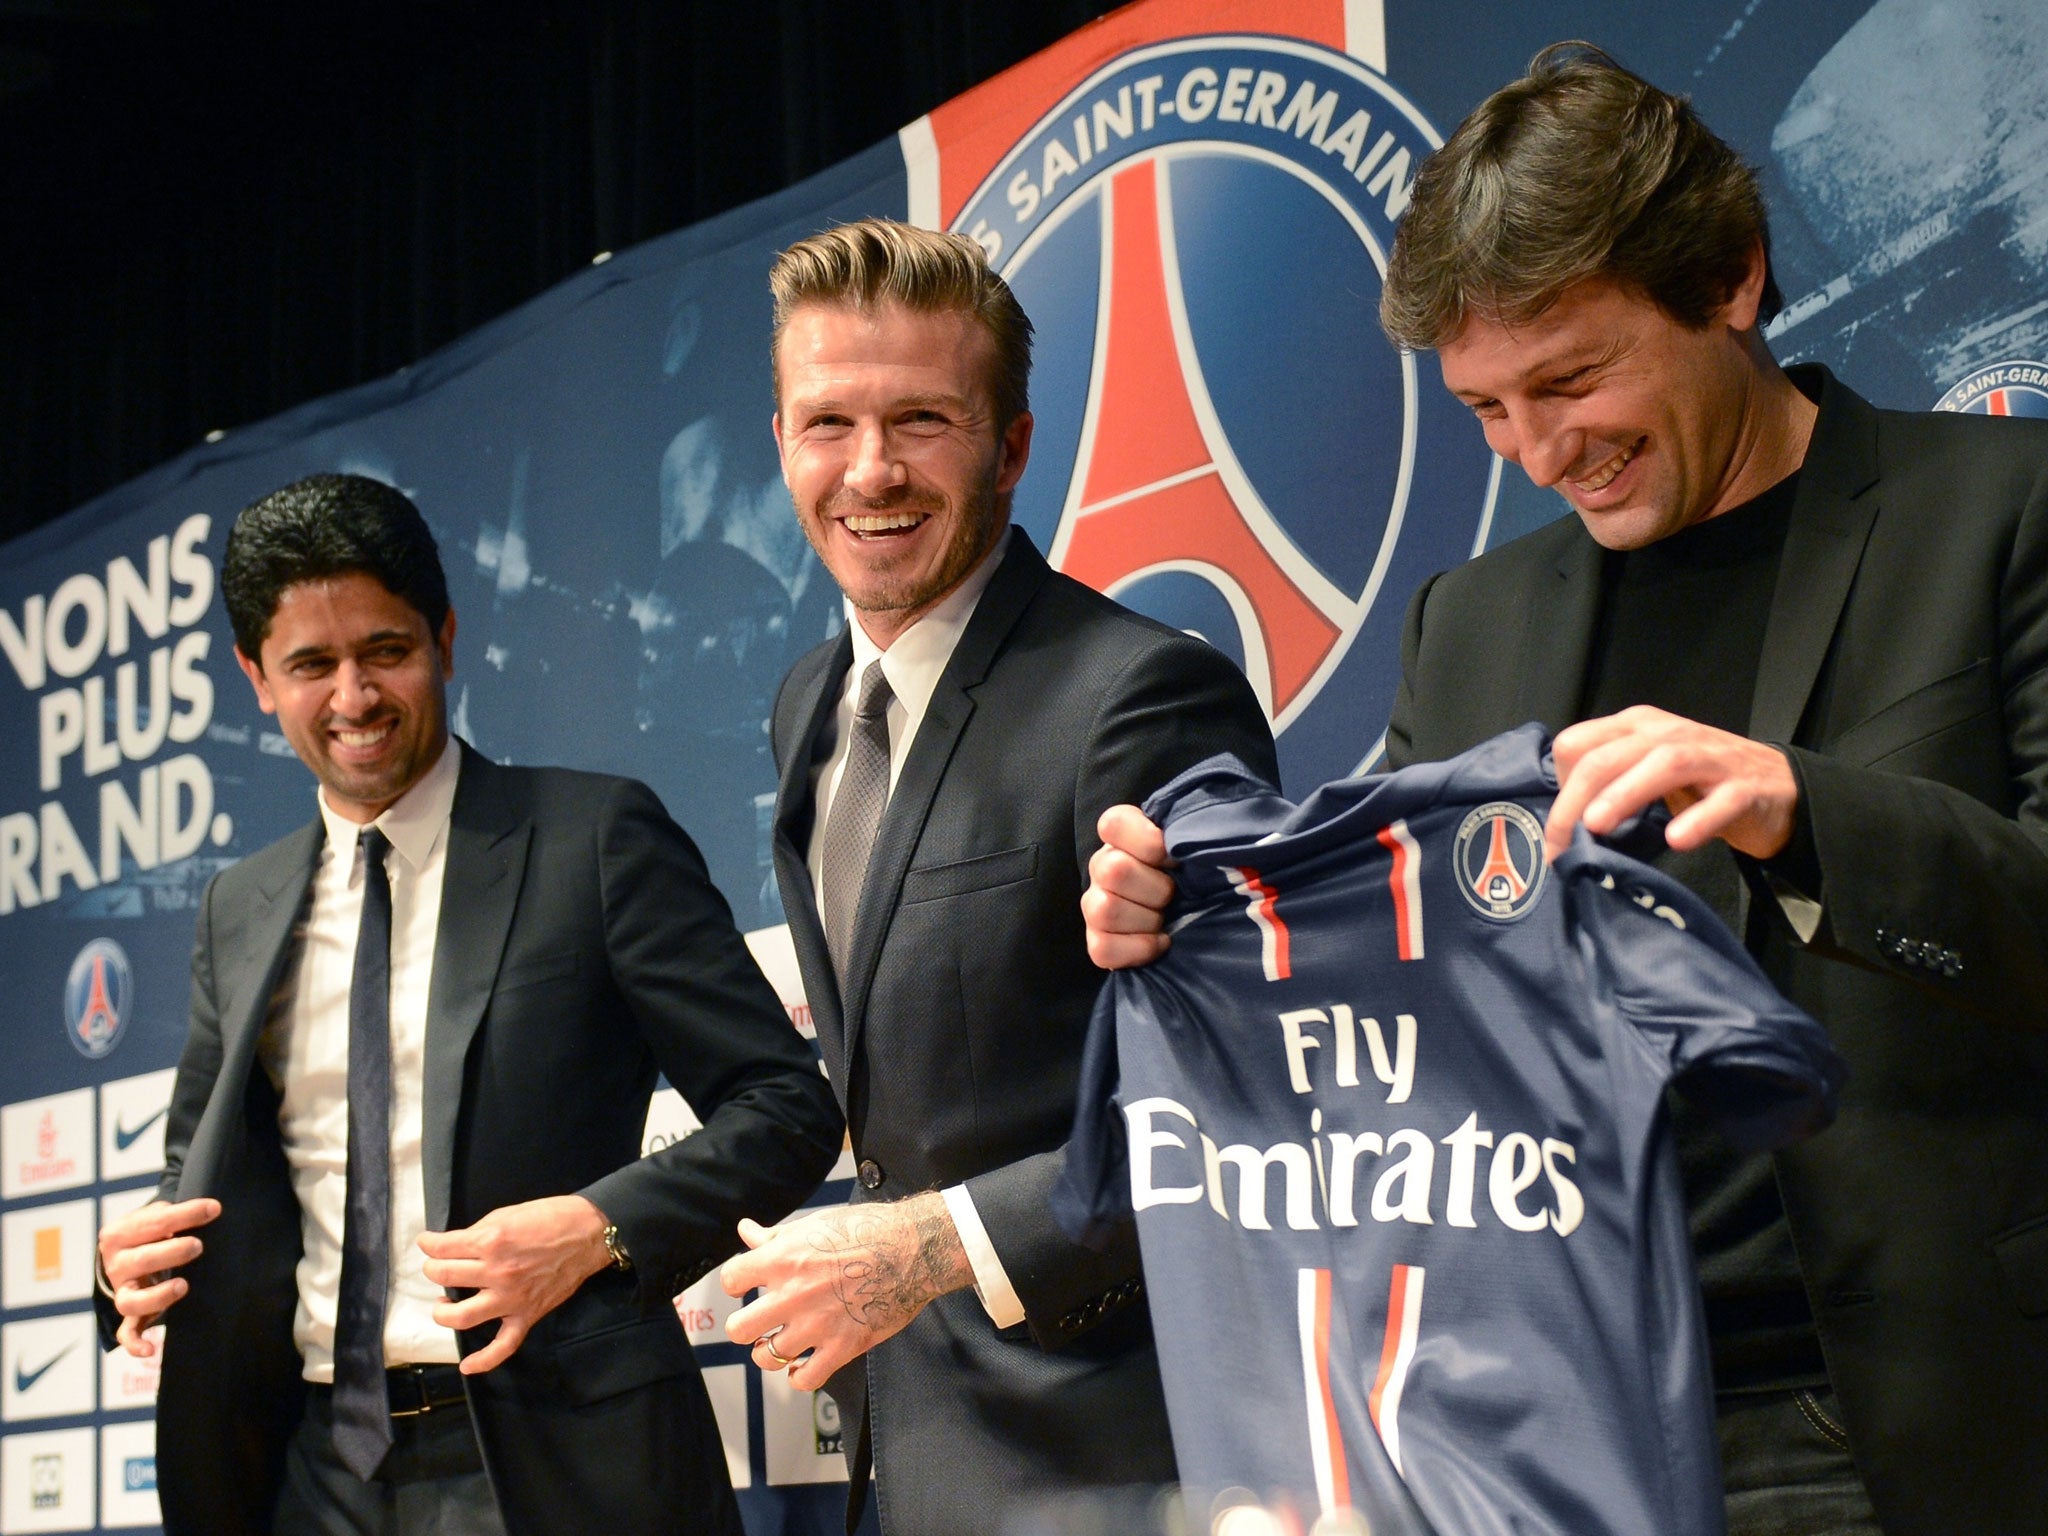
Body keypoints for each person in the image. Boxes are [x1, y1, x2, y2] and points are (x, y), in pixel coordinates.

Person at [1082, 43, 2048, 1536]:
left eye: (1573, 378)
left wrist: (1806, 810)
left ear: (1730, 276)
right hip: (1550, 1439)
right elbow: (1383, 1009)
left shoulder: (2002, 513)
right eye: (1484, 410)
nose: (1540, 451)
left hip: (1908, 1425)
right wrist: (1196, 916)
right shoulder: (1466, 624)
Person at [94, 473, 843, 1536]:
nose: (353, 697)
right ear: (256, 678)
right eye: (311, 665)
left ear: (445, 636)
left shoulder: (593, 839)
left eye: (384, 652)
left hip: (558, 1460)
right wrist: (124, 1266)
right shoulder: (239, 905)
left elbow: (784, 1105)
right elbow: (198, 1177)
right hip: (310, 1475)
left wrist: (595, 1228)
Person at [716, 219, 1277, 1535]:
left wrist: (928, 1252)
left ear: (1011, 445)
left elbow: (1242, 1105)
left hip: (1119, 1448)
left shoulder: (1142, 696)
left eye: (922, 419)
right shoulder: (807, 704)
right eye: (827, 424)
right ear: (781, 442)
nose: (871, 472)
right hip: (899, 1446)